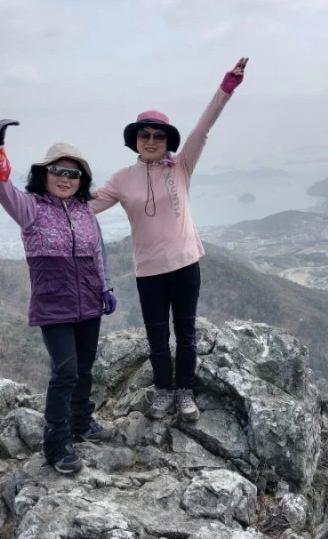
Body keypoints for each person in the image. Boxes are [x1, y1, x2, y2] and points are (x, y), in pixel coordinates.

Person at [90, 57, 249, 422]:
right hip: (148, 271)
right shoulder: (121, 179)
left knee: (186, 333)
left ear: (167, 141)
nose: (151, 141)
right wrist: (44, 200)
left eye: (158, 136)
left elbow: (202, 129)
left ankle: (185, 391)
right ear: (135, 141)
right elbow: (87, 206)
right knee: (157, 336)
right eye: (144, 135)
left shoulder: (181, 166)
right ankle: (163, 390)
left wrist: (226, 88)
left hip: (185, 264)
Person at [0, 119, 117, 475]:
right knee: (65, 372)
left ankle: (81, 422)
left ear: (82, 180)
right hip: (53, 303)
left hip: (89, 301)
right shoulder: (30, 208)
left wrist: (105, 287)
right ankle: (56, 444)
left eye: (73, 174)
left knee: (85, 368)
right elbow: (2, 190)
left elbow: (97, 252)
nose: (65, 178)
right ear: (44, 173)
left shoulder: (85, 211)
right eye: (57, 170)